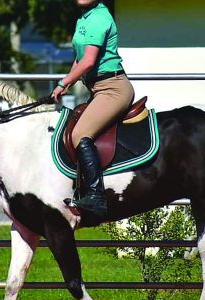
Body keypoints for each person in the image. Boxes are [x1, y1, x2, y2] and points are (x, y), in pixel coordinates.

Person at [52, 0, 134, 218]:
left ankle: (96, 197)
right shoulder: (84, 18)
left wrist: (63, 82)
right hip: (97, 88)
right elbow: (80, 59)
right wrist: (68, 82)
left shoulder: (98, 18)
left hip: (113, 89)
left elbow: (88, 62)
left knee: (80, 133)